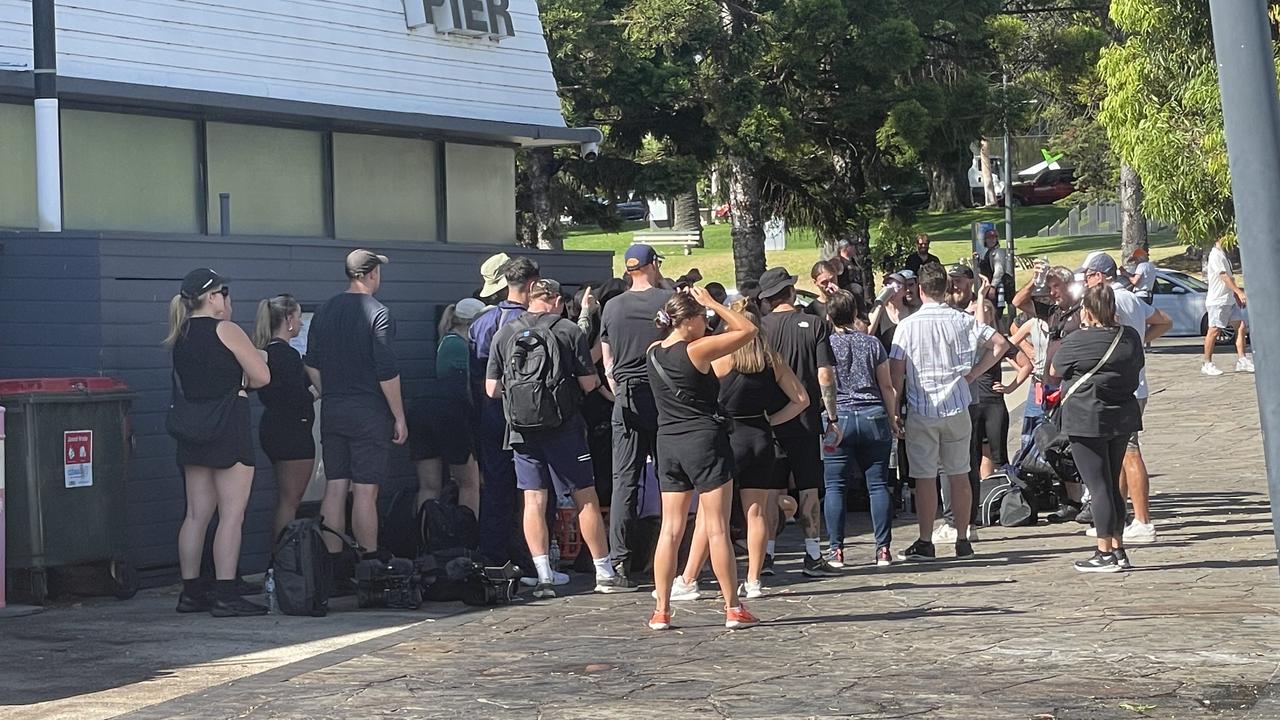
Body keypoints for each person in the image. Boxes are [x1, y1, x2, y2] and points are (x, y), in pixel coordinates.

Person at [485, 279, 636, 598]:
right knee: (585, 497)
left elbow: (491, 389)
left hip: (521, 431)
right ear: (554, 300)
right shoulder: (568, 330)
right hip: (563, 427)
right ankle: (604, 572)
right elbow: (587, 382)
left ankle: (543, 576)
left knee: (533, 500)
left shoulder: (505, 333)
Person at [670, 299, 809, 600]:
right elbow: (801, 399)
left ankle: (689, 577)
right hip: (760, 435)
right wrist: (772, 421)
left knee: (712, 516)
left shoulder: (721, 359)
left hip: (727, 437)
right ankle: (755, 580)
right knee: (756, 512)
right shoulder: (771, 359)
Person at [647, 288, 761, 631]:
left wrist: (703, 312)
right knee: (716, 529)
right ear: (690, 321)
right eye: (703, 319)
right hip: (703, 442)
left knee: (670, 529)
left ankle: (661, 610)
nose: (707, 324)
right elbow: (748, 331)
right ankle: (732, 607)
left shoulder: (652, 352)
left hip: (668, 442)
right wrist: (714, 304)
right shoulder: (696, 350)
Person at [168, 269, 271, 616]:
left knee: (196, 514)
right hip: (228, 425)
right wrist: (245, 373)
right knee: (231, 514)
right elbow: (262, 376)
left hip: (193, 428)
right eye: (223, 292)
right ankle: (226, 593)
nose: (226, 299)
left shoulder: (179, 334)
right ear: (212, 297)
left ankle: (191, 592)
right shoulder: (225, 329)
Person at [890, 262, 1007, 562]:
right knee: (959, 473)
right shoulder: (961, 321)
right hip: (957, 405)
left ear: (919, 290)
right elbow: (999, 344)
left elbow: (896, 374)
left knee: (925, 477)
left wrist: (894, 410)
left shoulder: (907, 326)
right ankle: (963, 537)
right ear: (946, 289)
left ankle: (926, 539)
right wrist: (971, 374)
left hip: (922, 407)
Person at [305, 250, 406, 561]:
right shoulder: (378, 312)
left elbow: (310, 362)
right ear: (371, 273)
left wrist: (329, 391)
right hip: (369, 412)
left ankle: (332, 567)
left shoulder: (324, 310)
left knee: (335, 486)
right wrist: (399, 416)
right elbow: (386, 370)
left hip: (333, 410)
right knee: (365, 490)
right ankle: (369, 564)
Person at [1048, 284, 1144, 572]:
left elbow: (1054, 371)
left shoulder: (1078, 341)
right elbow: (1137, 367)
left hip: (1087, 418)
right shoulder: (1130, 337)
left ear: (1086, 311)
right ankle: (1118, 548)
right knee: (1112, 481)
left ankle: (1103, 552)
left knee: (1097, 485)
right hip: (1122, 415)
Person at [1078, 253, 1173, 544]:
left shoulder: (1111, 301)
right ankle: (1114, 520)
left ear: (1101, 275)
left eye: (1089, 275)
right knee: (1117, 453)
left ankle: (1143, 520)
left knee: (1129, 452)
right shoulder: (1132, 299)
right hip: (1134, 382)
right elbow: (1163, 322)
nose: (1085, 281)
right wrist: (1141, 342)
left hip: (1119, 386)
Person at [757, 267, 842, 576]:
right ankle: (813, 554)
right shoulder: (816, 325)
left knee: (769, 490)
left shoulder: (759, 328)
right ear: (791, 292)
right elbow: (824, 374)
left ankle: (765, 555)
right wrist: (832, 415)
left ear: (766, 299)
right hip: (806, 420)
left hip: (769, 421)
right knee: (809, 488)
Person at [602, 245, 673, 581]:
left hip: (626, 398)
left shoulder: (612, 307)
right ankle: (673, 558)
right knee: (672, 478)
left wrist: (618, 392)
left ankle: (620, 560)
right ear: (653, 265)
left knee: (624, 481)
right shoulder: (665, 302)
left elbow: (607, 364)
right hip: (662, 397)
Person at [470, 256, 541, 569]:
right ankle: (530, 558)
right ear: (530, 286)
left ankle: (493, 557)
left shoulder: (481, 323)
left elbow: (475, 374)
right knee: (534, 490)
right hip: (531, 417)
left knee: (497, 488)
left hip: (491, 413)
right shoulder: (537, 322)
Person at [823, 291, 901, 567]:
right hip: (872, 414)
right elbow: (887, 386)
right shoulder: (872, 344)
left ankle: (836, 550)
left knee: (834, 485)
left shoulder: (826, 345)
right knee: (878, 484)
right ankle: (882, 549)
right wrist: (893, 417)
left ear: (829, 316)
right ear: (855, 313)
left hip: (839, 416)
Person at [411, 297, 486, 517]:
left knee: (429, 486)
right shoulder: (460, 345)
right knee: (469, 483)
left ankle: (424, 535)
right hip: (453, 413)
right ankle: (468, 535)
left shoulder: (447, 341)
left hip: (426, 409)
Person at [252, 293, 318, 538]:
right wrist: (315, 393)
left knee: (285, 499)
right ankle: (284, 560)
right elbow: (294, 398)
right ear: (289, 319)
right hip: (293, 432)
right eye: (299, 318)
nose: (301, 323)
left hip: (272, 429)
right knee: (290, 501)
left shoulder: (266, 353)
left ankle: (280, 561)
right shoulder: (289, 356)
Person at [1201, 237, 1253, 376]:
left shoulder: (1223, 254)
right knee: (1214, 330)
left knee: (1241, 327)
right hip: (1218, 301)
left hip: (1228, 300)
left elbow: (1230, 278)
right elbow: (1223, 277)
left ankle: (1242, 360)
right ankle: (1207, 363)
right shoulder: (1215, 254)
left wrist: (1235, 296)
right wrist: (1238, 292)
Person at [976, 229, 1012, 322]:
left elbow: (999, 271)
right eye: (989, 238)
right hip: (988, 287)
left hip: (996, 288)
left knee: (994, 314)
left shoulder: (997, 252)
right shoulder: (989, 252)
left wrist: (993, 287)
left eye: (994, 238)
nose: (992, 240)